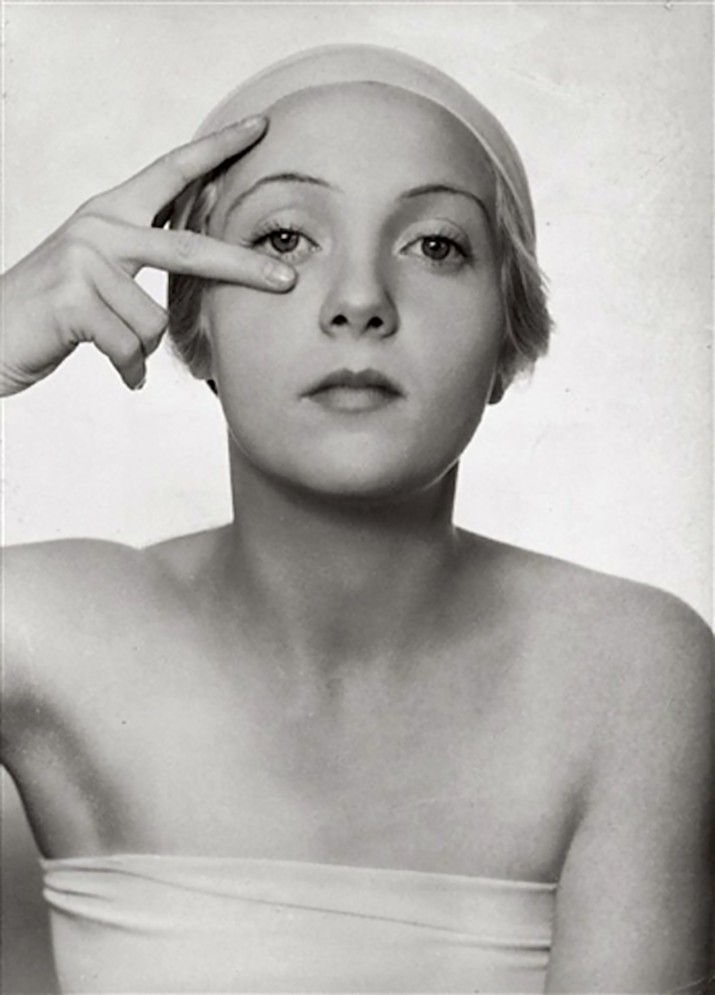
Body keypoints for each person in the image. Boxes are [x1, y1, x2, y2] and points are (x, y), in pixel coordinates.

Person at [1, 44, 712, 994]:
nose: (361, 301)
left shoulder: (629, 671)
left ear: (508, 341)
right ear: (194, 322)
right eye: (285, 238)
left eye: (435, 245)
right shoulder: (43, 631)